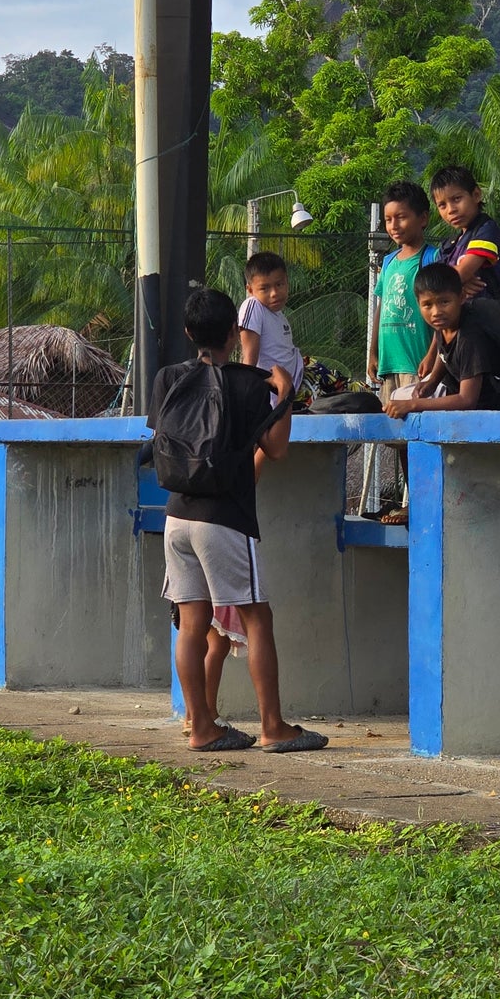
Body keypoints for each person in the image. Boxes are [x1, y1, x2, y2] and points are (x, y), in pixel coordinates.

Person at [149, 285, 328, 755]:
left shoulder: (168, 378)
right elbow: (277, 449)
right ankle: (273, 726)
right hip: (224, 518)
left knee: (192, 624)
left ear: (189, 333)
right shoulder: (248, 383)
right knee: (257, 618)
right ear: (234, 331)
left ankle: (202, 726)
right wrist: (285, 394)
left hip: (177, 516)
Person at [383, 261, 500, 421]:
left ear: (462, 297)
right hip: (459, 400)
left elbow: (467, 400)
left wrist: (413, 404)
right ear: (418, 304)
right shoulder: (444, 325)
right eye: (427, 305)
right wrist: (432, 382)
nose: (436, 312)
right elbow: (444, 353)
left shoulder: (470, 339)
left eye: (444, 302)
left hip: (480, 417)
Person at [367, 180, 438, 404]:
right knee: (391, 433)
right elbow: (382, 306)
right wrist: (373, 351)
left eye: (402, 217)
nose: (394, 225)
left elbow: (443, 313)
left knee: (415, 427)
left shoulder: (432, 258)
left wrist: (432, 354)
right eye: (388, 220)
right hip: (389, 365)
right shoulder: (388, 262)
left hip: (418, 364)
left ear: (423, 218)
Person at [429, 165, 500, 301]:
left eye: (457, 199)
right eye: (442, 205)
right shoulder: (449, 245)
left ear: (476, 195)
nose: (450, 210)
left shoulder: (486, 229)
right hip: (458, 317)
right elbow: (437, 280)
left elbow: (458, 275)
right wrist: (458, 284)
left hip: (483, 316)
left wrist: (458, 279)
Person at [238, 251, 304, 399]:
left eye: (279, 284)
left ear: (287, 281)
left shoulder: (279, 314)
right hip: (281, 394)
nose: (274, 293)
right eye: (264, 288)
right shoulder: (253, 305)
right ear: (250, 290)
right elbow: (249, 362)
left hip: (299, 380)